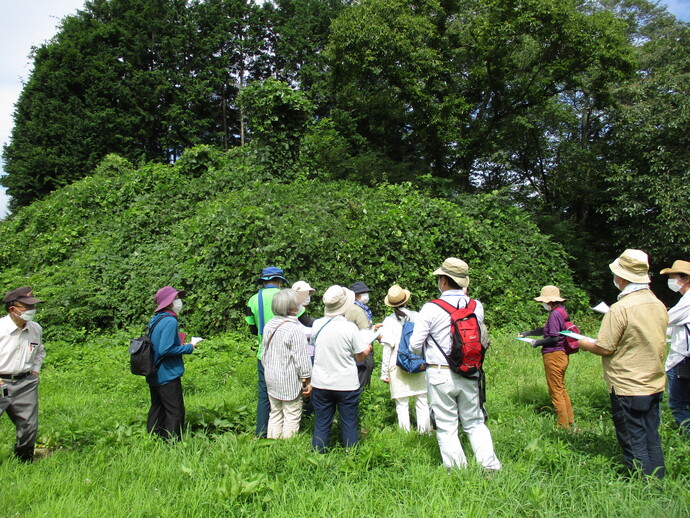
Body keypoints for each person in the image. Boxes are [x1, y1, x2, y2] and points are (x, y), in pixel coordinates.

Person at [578, 249, 667, 478]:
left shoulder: (620, 308)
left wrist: (583, 342)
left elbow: (605, 347)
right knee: (651, 438)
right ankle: (658, 481)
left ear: (622, 277)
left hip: (628, 385)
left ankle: (643, 487)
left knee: (633, 440)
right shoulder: (658, 304)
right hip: (654, 382)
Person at [409, 258, 501, 471]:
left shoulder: (430, 308)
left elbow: (414, 345)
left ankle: (458, 471)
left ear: (443, 280)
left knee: (447, 426)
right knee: (475, 422)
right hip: (470, 371)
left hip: (440, 373)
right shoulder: (476, 306)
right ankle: (490, 467)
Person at [311, 285, 372, 453]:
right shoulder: (349, 328)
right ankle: (351, 456)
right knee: (349, 423)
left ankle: (317, 456)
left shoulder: (317, 324)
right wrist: (366, 349)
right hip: (346, 384)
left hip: (321, 382)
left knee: (322, 424)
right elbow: (360, 357)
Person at [0, 287, 45, 462]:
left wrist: (35, 371)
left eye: (33, 306)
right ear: (13, 309)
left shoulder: (35, 329)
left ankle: (24, 461)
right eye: (27, 307)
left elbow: (40, 351)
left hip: (25, 382)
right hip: (2, 381)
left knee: (28, 425)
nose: (31, 311)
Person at [519, 286, 574, 429]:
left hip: (554, 355)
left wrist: (537, 343)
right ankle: (569, 420)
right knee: (561, 388)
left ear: (549, 301)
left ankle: (562, 426)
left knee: (555, 390)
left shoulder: (555, 314)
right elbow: (548, 329)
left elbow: (553, 338)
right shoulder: (560, 311)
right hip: (562, 354)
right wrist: (529, 332)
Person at [146, 286, 197, 441]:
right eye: (175, 299)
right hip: (167, 373)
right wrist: (189, 347)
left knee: (157, 407)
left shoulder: (156, 319)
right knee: (175, 410)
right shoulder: (170, 321)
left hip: (155, 371)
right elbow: (165, 349)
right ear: (169, 302)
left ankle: (154, 438)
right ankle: (173, 442)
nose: (178, 302)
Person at [379, 284, 430, 433]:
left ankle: (405, 434)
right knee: (421, 400)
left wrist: (384, 372)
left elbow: (387, 348)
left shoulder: (389, 321)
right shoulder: (417, 316)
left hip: (398, 364)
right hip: (418, 361)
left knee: (402, 404)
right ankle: (425, 432)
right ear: (406, 300)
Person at [262, 289, 312, 439]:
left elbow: (264, 352)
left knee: (275, 413)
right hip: (289, 380)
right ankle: (287, 448)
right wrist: (307, 380)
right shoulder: (294, 330)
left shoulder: (269, 325)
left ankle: (271, 444)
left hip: (271, 377)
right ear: (292, 307)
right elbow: (302, 360)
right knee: (291, 414)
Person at [246, 266, 288, 438]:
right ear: (279, 281)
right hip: (285, 353)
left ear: (263, 281)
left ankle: (261, 433)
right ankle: (287, 433)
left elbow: (252, 329)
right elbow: (303, 320)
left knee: (264, 395)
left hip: (263, 353)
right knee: (288, 394)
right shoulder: (286, 297)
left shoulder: (253, 300)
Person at [659, 260, 690, 433]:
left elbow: (664, 320)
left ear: (685, 279)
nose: (671, 281)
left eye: (673, 277)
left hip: (682, 359)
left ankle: (687, 436)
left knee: (678, 404)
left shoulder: (687, 301)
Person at [345, 281, 375, 388]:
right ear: (357, 295)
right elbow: (364, 330)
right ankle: (362, 396)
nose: (366, 295)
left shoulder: (352, 307)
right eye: (364, 293)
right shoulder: (357, 309)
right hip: (362, 346)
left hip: (352, 346)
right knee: (364, 370)